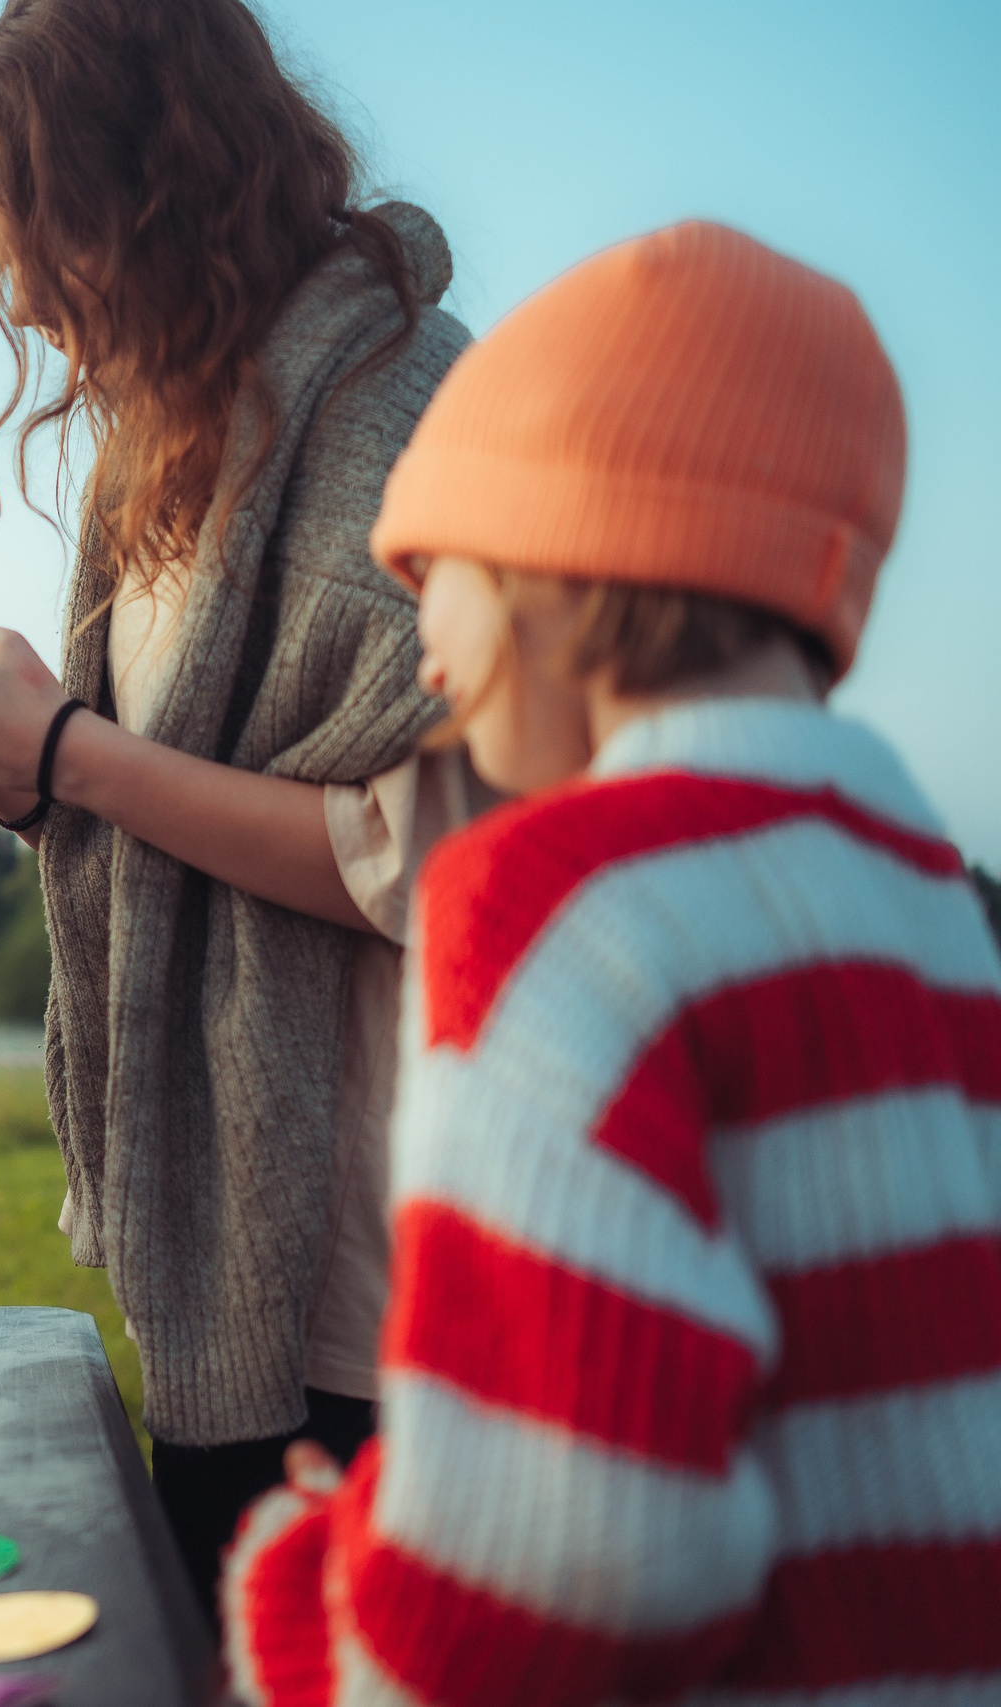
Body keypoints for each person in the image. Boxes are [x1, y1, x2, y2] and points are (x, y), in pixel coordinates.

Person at [222, 224, 1001, 1702]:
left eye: (428, 564)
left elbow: (573, 1551)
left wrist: (311, 1602)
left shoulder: (553, 899)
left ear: (550, 556)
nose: (425, 650)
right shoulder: (928, 897)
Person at [0, 0, 485, 1622]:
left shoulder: (408, 415)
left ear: (165, 189)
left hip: (378, 1252)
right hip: (244, 1221)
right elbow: (163, 779)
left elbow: (432, 861)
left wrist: (69, 758)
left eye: (37, 232)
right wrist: (26, 742)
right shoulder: (166, 440)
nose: (16, 292)